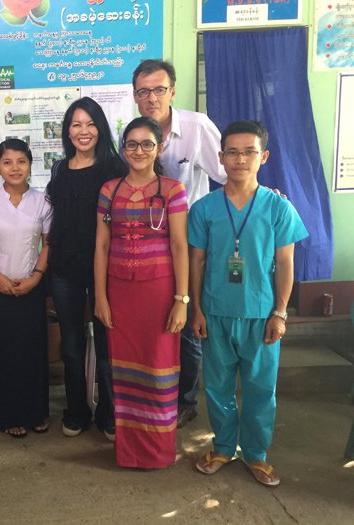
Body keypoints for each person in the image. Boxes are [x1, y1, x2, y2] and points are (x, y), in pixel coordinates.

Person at [189, 120, 308, 486]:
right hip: (216, 312)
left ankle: (256, 454)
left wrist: (280, 313)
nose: (240, 159)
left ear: (263, 156)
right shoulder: (204, 208)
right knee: (217, 388)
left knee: (260, 390)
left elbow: (285, 263)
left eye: (249, 152)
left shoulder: (278, 208)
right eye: (233, 152)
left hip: (261, 315)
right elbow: (197, 261)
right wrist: (196, 309)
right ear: (221, 157)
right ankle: (224, 447)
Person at [129, 59, 227, 428]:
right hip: (148, 249)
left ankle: (186, 400)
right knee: (156, 324)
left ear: (172, 91)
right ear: (135, 96)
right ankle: (157, 393)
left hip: (190, 245)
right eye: (143, 91)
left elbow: (230, 173)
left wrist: (261, 199)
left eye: (158, 89)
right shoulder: (136, 134)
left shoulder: (196, 127)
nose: (151, 98)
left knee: (187, 325)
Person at [94, 117, 189, 468]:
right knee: (124, 370)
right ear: (123, 149)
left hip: (160, 293)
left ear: (159, 148)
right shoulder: (109, 190)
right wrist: (100, 297)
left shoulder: (173, 190)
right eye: (131, 144)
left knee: (159, 368)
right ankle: (129, 452)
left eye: (147, 144)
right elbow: (102, 246)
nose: (139, 151)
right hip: (120, 293)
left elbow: (179, 246)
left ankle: (158, 452)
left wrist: (182, 300)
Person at [46, 96, 127, 440]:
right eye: (76, 124)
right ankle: (76, 410)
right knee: (71, 346)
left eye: (90, 124)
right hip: (65, 269)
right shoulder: (60, 170)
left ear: (101, 128)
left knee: (109, 345)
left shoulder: (115, 169)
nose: (83, 131)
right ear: (67, 131)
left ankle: (109, 414)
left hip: (105, 271)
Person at [0, 139, 52, 438]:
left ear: (30, 165)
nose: (15, 168)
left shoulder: (43, 201)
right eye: (7, 162)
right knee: (2, 352)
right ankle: (7, 415)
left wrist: (36, 277)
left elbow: (48, 243)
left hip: (32, 286)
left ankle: (36, 412)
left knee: (33, 351)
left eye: (21, 161)